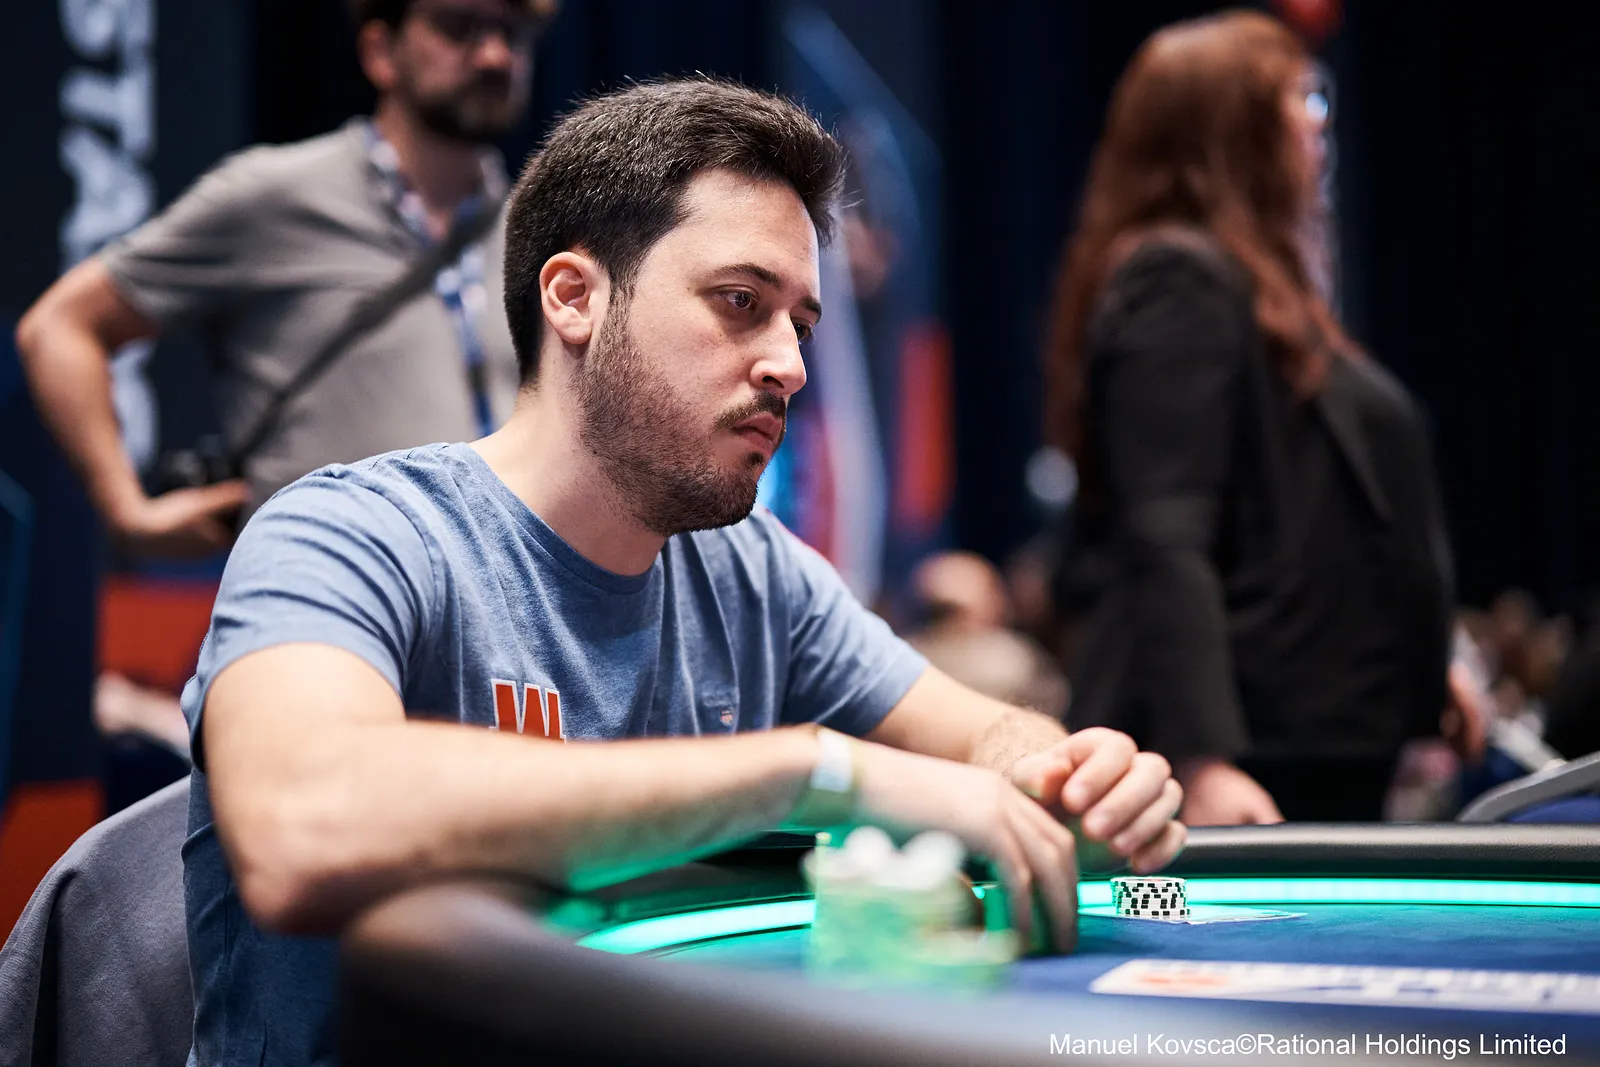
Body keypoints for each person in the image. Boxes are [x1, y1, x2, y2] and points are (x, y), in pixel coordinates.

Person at [176, 79, 1186, 1067]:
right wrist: (809, 772)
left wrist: (1062, 774)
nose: (790, 364)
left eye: (799, 323)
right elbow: (300, 825)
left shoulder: (753, 572)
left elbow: (984, 734)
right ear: (574, 297)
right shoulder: (351, 533)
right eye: (741, 302)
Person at [15, 0, 555, 767]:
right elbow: (60, 327)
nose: (496, 55)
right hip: (335, 637)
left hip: (509, 656)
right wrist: (126, 511)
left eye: (514, 34)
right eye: (459, 26)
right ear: (380, 49)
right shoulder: (276, 195)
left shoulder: (538, 226)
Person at [1043, 11, 1455, 825]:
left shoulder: (1261, 289)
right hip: (1246, 760)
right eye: (1300, 100)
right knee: (1175, 906)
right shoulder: (1177, 278)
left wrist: (1434, 672)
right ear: (1230, 131)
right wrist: (1202, 759)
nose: (1317, 125)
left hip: (1316, 745)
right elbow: (1165, 528)